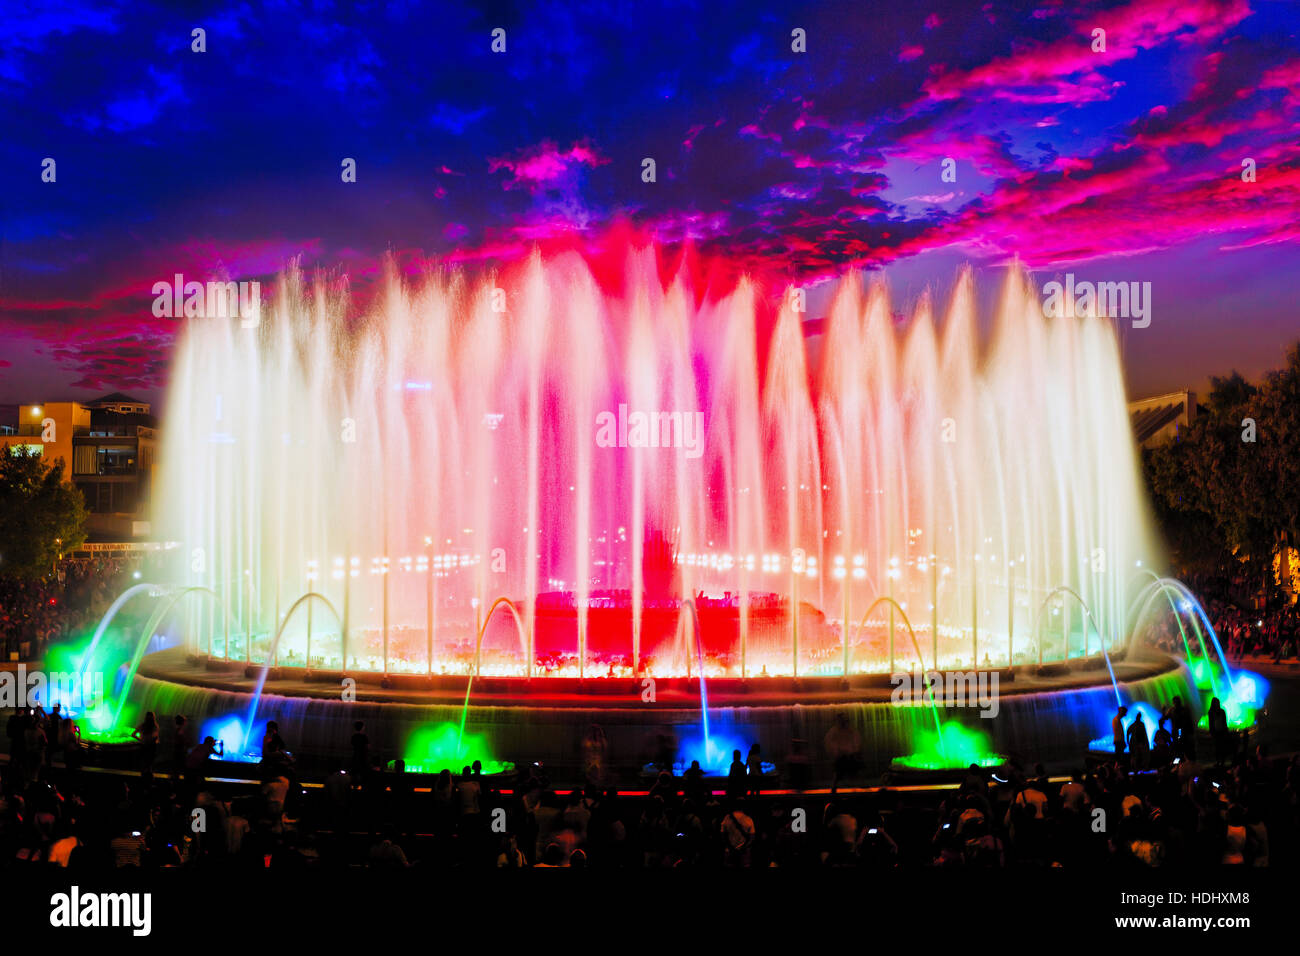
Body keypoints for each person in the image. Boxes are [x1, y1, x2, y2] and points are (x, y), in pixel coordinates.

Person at [132, 711, 159, 780]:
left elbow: (133, 734)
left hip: (144, 746)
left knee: (144, 762)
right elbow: (156, 737)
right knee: (149, 763)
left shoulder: (142, 725)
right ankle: (149, 778)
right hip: (151, 747)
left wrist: (140, 740)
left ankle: (143, 778)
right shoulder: (155, 726)